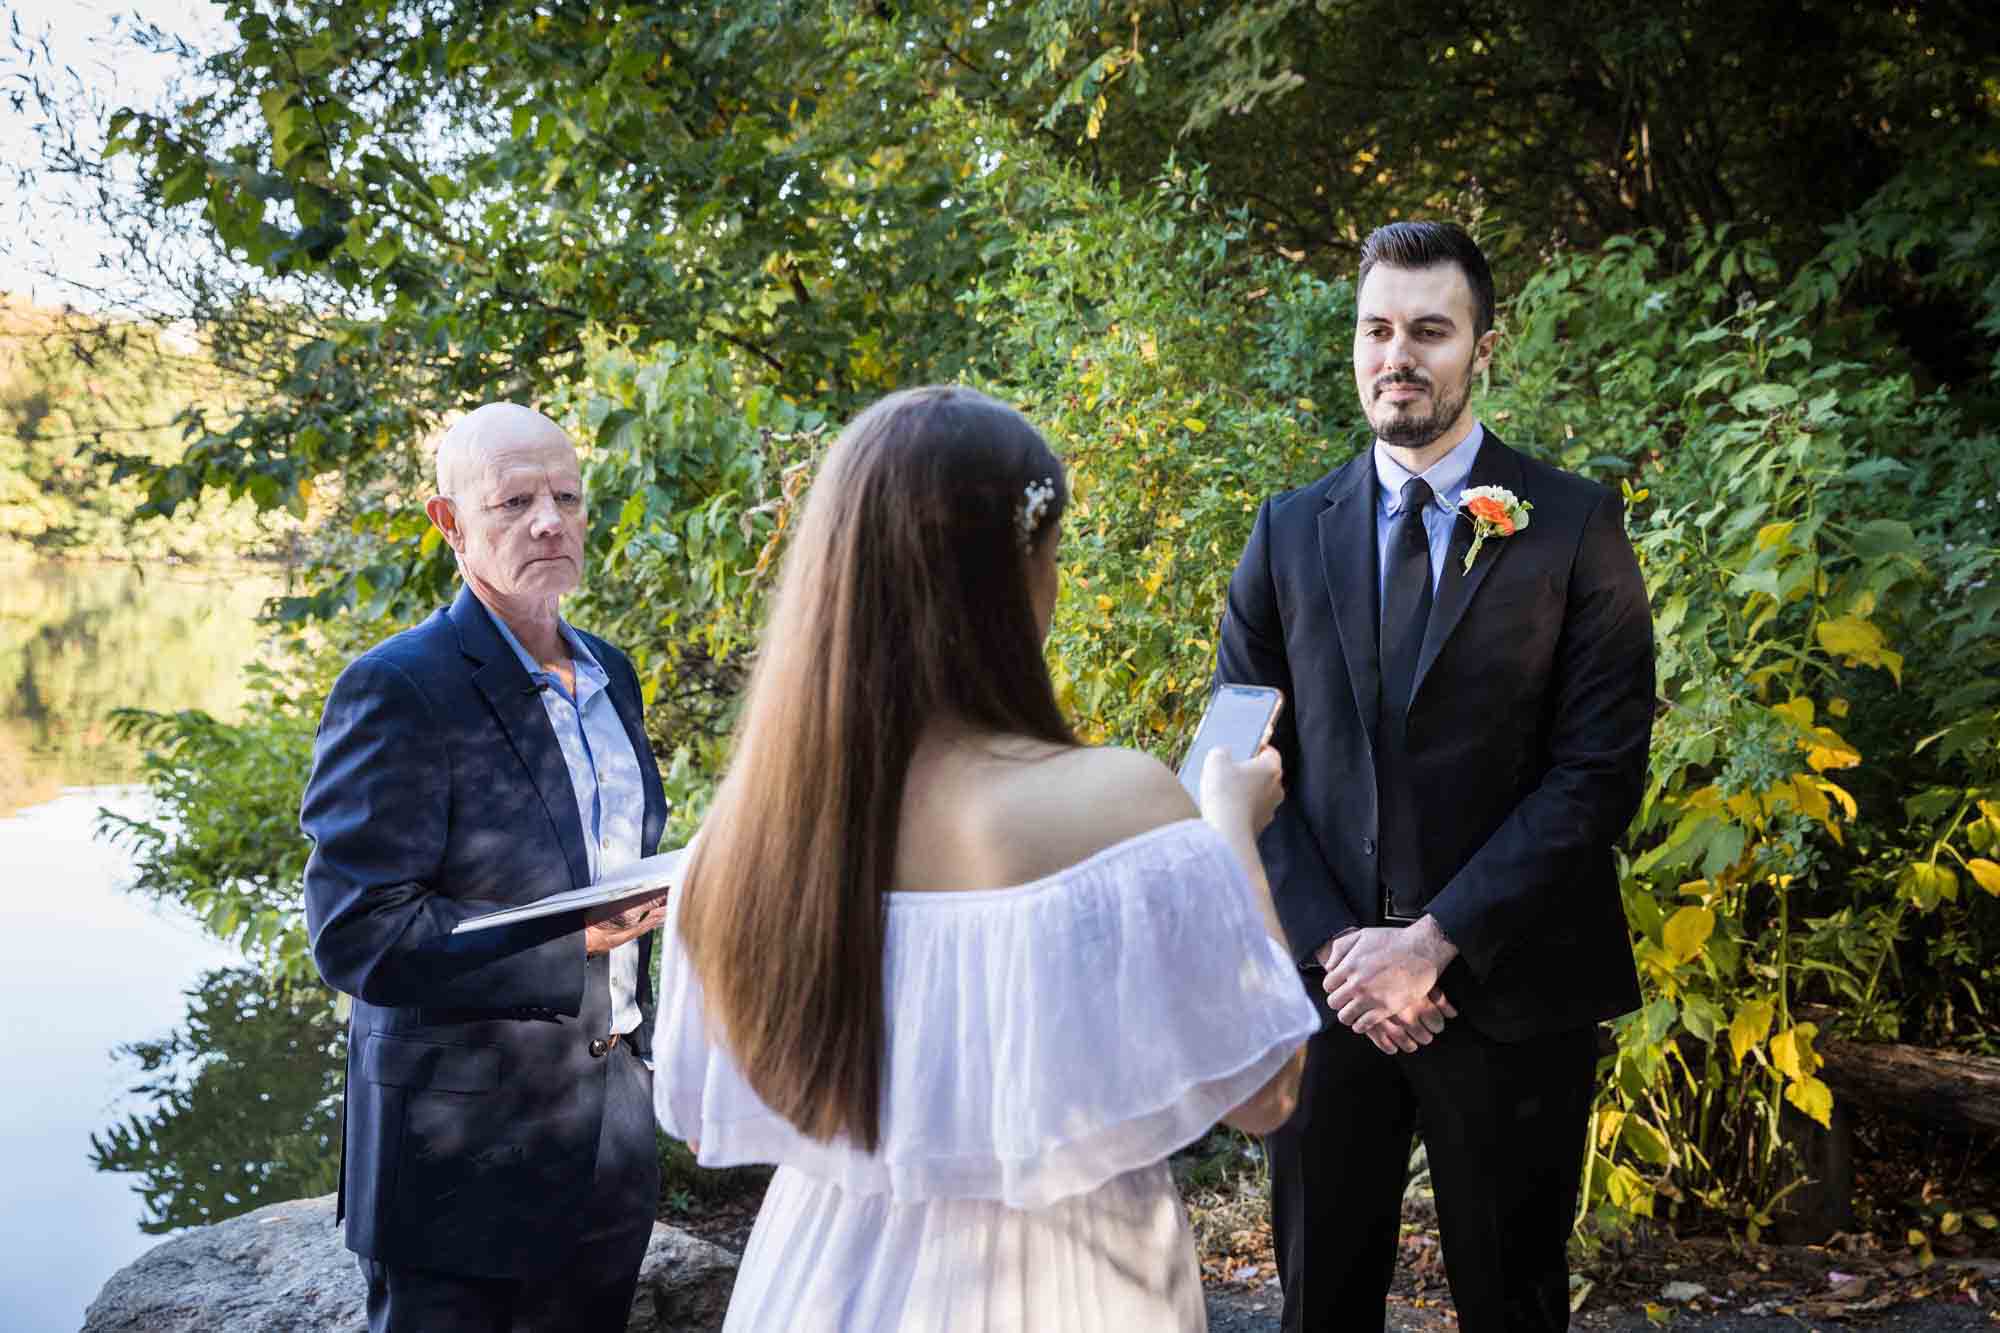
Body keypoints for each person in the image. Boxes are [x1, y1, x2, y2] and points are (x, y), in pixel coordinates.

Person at [649, 385, 1320, 1331]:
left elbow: (720, 1099)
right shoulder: (1123, 801)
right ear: (1008, 574)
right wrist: (1228, 831)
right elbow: (1268, 1088)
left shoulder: (743, 839)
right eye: (1054, 554)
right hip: (1067, 1288)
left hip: (817, 1280)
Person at [1215, 221, 1656, 1331]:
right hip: (1331, 1001)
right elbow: (1239, 765)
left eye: (1427, 329)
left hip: (1510, 995)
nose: (1394, 354)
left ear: (1481, 347)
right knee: (1320, 1307)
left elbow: (1596, 775)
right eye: (1374, 328)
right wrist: (1341, 954)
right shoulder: (1281, 534)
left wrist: (1432, 941)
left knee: (1513, 1307)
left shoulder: (1571, 527)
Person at [301, 403, 671, 1332]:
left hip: (610, 1140)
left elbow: (604, 861)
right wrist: (576, 941)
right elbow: (359, 933)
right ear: (450, 523)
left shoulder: (612, 673)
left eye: (566, 495)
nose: (549, 518)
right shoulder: (400, 686)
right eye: (514, 500)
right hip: (457, 1167)